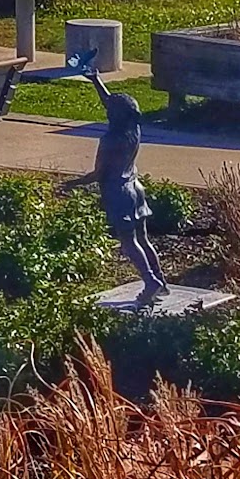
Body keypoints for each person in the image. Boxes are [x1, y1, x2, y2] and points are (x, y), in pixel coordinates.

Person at [59, 47, 167, 297]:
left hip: (119, 194)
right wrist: (96, 80)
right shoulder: (133, 130)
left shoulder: (109, 141)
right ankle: (161, 281)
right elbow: (111, 103)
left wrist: (70, 185)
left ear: (115, 116)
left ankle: (150, 282)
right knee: (144, 239)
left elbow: (98, 175)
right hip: (136, 188)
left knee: (129, 244)